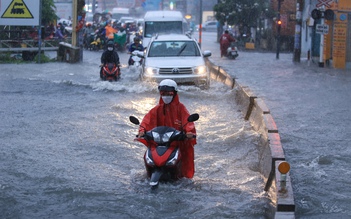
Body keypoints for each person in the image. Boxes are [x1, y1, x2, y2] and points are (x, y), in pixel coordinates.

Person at [138, 79, 197, 178]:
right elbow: (146, 121)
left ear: (174, 93)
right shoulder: (157, 109)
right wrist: (142, 131)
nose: (166, 96)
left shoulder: (181, 108)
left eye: (169, 93)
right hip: (160, 142)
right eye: (163, 93)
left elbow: (188, 122)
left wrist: (188, 132)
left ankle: (183, 177)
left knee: (185, 164)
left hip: (177, 142)